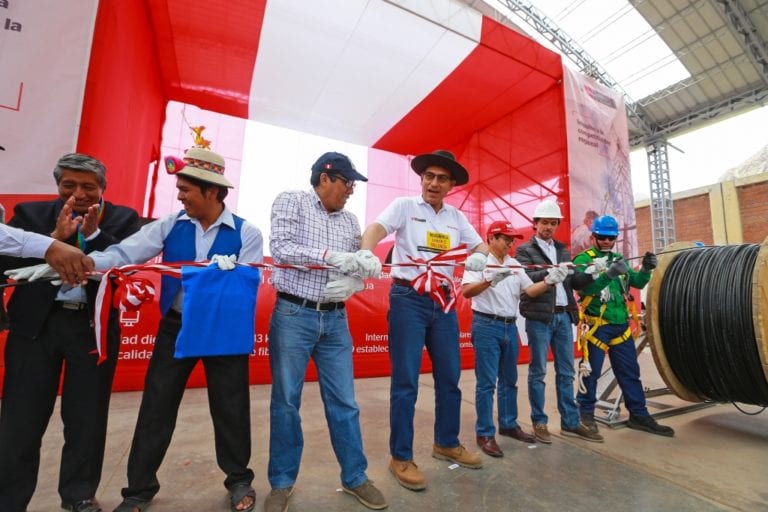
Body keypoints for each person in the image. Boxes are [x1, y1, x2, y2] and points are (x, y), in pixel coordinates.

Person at [86, 144, 264, 512]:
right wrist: (85, 261)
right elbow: (125, 253)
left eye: (186, 189)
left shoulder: (248, 234)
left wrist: (226, 276)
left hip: (222, 332)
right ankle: (138, 491)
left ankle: (239, 481)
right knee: (156, 406)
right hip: (176, 327)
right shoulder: (170, 225)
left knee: (231, 408)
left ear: (212, 191)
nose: (180, 196)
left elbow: (245, 290)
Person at [0, 153, 140, 512]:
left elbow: (128, 261)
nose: (78, 193)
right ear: (57, 185)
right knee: (21, 418)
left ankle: (78, 495)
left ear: (103, 189)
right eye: (69, 185)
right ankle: (10, 499)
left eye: (88, 187)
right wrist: (53, 240)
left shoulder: (124, 220)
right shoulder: (30, 215)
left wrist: (92, 236)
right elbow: (7, 264)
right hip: (35, 327)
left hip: (90, 329)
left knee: (86, 418)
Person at [360, 149, 489, 491]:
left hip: (443, 303)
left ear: (451, 185)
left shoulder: (456, 218)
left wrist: (478, 259)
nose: (434, 183)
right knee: (406, 382)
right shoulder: (404, 207)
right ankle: (400, 457)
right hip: (408, 300)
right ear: (421, 179)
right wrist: (365, 250)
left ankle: (446, 442)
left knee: (450, 376)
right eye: (428, 176)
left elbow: (482, 248)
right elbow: (376, 228)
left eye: (441, 178)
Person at [265, 152, 386, 512]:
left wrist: (355, 281)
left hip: (335, 320)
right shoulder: (292, 201)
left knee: (345, 403)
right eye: (347, 182)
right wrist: (331, 257)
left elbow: (354, 267)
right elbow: (282, 249)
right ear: (325, 178)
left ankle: (355, 477)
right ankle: (282, 482)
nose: (351, 190)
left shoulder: (350, 221)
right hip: (293, 314)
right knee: (286, 402)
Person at [461, 220, 570, 457]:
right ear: (491, 238)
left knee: (509, 380)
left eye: (512, 239)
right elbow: (466, 291)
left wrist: (549, 281)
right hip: (486, 324)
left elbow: (529, 291)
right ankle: (485, 433)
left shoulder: (514, 264)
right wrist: (489, 280)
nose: (510, 243)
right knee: (487, 383)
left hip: (509, 327)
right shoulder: (479, 261)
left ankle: (509, 424)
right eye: (505, 238)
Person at [570, 215, 674, 437]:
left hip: (620, 324)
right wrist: (608, 274)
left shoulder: (619, 258)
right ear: (593, 237)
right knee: (590, 373)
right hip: (597, 325)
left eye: (611, 237)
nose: (607, 241)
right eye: (602, 237)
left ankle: (638, 414)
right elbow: (584, 289)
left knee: (630, 373)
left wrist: (645, 270)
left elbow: (635, 282)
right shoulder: (583, 260)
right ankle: (585, 414)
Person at [514, 199, 603, 444]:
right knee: (538, 371)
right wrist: (548, 274)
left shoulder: (563, 250)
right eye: (545, 222)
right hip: (540, 317)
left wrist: (592, 272)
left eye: (553, 223)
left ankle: (570, 422)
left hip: (564, 316)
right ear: (535, 223)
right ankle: (539, 422)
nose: (549, 227)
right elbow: (523, 277)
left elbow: (574, 282)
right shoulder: (524, 250)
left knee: (566, 371)